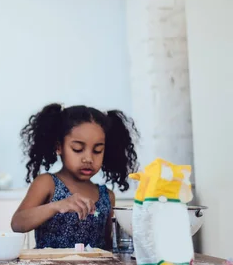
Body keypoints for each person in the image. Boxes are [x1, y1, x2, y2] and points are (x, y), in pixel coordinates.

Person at [11, 103, 139, 249]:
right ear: (59, 147)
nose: (88, 158)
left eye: (97, 150)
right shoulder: (47, 183)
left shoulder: (107, 196)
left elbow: (107, 245)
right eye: (77, 149)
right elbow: (17, 223)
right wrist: (57, 206)